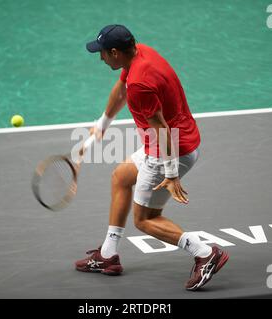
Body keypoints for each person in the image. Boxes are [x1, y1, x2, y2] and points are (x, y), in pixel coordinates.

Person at [75, 24, 229, 290]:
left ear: (114, 52)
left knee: (145, 219)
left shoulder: (140, 84)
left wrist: (170, 173)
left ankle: (205, 254)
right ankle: (108, 255)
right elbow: (120, 90)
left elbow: (161, 129)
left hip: (170, 150)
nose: (100, 58)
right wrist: (102, 123)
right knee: (121, 177)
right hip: (176, 141)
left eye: (102, 53)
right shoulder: (141, 53)